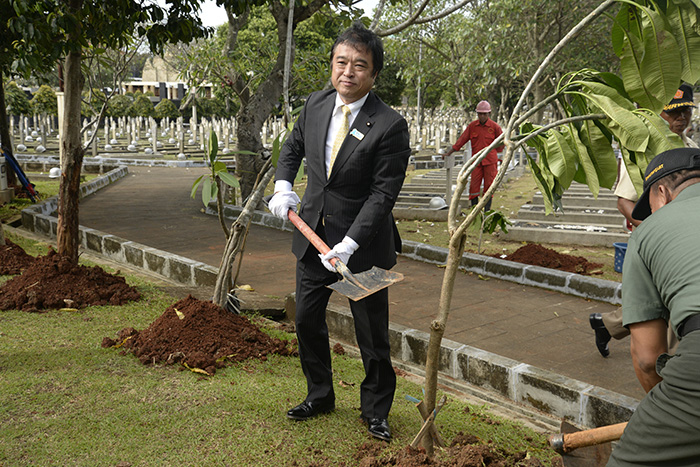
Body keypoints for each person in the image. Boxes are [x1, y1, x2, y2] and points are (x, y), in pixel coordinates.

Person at [267, 22, 410, 442]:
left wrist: (348, 245)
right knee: (308, 321)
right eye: (341, 62)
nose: (348, 71)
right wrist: (283, 186)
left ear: (374, 73)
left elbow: (383, 195)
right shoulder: (315, 104)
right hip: (312, 237)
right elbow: (293, 147)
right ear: (332, 65)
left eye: (359, 65)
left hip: (361, 249)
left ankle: (376, 410)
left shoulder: (388, 124)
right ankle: (320, 394)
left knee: (371, 334)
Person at [606, 147, 700, 466]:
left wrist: (668, 414)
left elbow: (647, 359)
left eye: (652, 206)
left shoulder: (645, 235)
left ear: (662, 192)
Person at [589, 84, 698, 357]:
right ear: (657, 114)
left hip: (687, 238)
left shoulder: (692, 149)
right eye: (673, 113)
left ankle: (605, 325)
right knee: (665, 305)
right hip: (655, 241)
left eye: (685, 111)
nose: (680, 118)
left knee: (662, 301)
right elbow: (624, 201)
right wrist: (655, 232)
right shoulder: (641, 149)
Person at [443, 100, 504, 211]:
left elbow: (501, 144)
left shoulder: (495, 127)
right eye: (480, 114)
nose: (482, 116)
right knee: (474, 187)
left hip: (490, 162)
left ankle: (486, 211)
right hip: (476, 162)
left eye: (484, 114)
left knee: (489, 187)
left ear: (489, 114)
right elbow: (461, 140)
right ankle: (475, 212)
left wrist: (497, 156)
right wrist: (449, 152)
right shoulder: (472, 126)